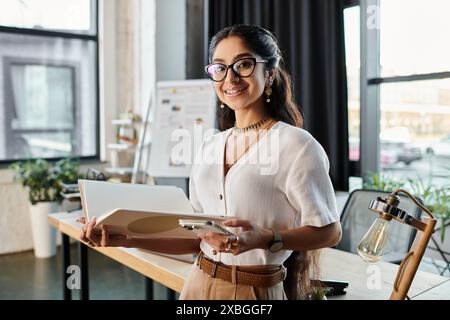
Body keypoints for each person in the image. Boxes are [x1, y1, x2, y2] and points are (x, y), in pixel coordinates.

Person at [80, 24, 342, 300]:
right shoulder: (209, 144)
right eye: (219, 68)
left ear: (270, 73)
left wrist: (268, 238)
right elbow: (196, 238)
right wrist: (125, 239)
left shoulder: (297, 145)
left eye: (243, 65)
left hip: (254, 290)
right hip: (198, 282)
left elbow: (329, 231)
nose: (230, 78)